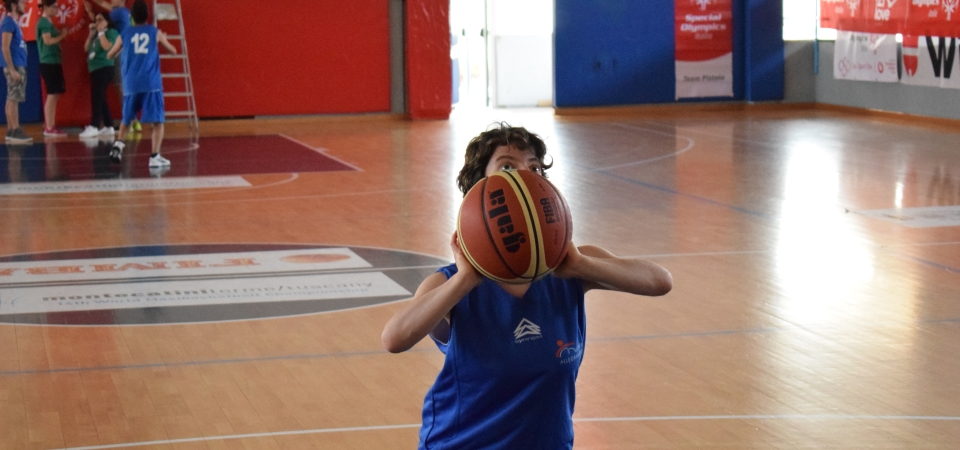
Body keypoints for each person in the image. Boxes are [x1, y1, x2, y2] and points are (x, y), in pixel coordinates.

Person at [381, 123, 674, 449]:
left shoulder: (572, 269)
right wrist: (467, 278)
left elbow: (660, 281)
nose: (524, 174)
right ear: (479, 190)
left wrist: (581, 265)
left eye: (534, 167)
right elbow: (394, 339)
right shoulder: (449, 283)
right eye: (507, 166)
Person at [107, 0, 177, 167]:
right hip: (151, 83)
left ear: (132, 16)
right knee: (157, 122)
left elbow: (110, 55)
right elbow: (173, 51)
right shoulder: (154, 31)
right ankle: (155, 156)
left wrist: (125, 49)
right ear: (147, 15)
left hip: (131, 83)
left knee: (127, 118)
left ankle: (118, 144)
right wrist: (163, 39)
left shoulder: (125, 33)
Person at [86, 0, 141, 133]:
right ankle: (131, 120)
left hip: (119, 52)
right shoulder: (126, 12)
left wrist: (91, 12)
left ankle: (130, 120)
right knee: (121, 86)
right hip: (127, 51)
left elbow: (101, 20)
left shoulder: (118, 12)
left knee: (120, 86)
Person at [78, 11, 118, 138]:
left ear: (107, 21)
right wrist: (91, 35)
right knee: (101, 96)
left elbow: (107, 47)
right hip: (94, 68)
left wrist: (101, 32)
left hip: (104, 67)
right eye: (96, 20)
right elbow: (86, 48)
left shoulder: (111, 32)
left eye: (101, 20)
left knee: (96, 96)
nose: (98, 22)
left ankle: (94, 125)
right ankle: (108, 125)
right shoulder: (96, 35)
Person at [37, 0, 71, 137]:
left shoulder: (49, 22)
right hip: (48, 62)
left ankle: (50, 124)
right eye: (54, 7)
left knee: (55, 93)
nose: (57, 9)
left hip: (54, 61)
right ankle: (49, 127)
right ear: (46, 7)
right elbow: (47, 40)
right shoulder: (44, 22)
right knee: (52, 94)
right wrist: (62, 35)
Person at [1, 0, 32, 143]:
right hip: (15, 65)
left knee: (11, 96)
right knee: (14, 98)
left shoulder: (13, 22)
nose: (25, 5)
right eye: (22, 2)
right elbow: (5, 47)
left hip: (18, 64)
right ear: (14, 5)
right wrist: (12, 69)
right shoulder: (8, 22)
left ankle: (11, 130)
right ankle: (15, 129)